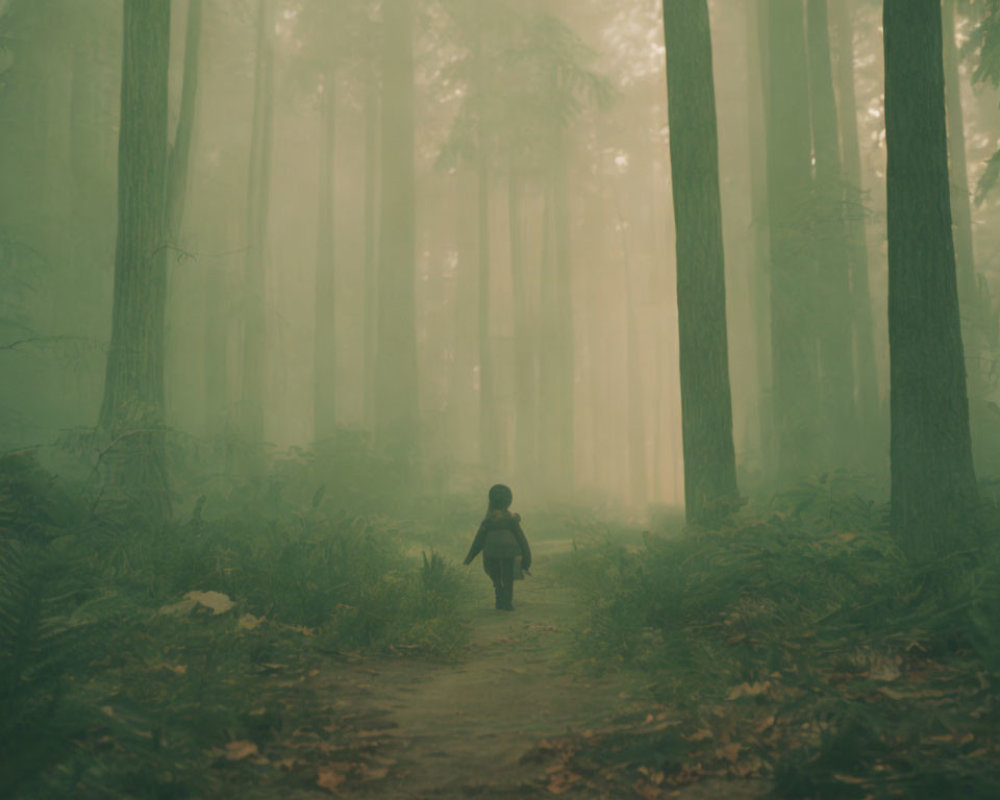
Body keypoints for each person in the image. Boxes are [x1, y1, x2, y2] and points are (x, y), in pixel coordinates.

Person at [463, 484, 532, 611]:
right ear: (508, 501)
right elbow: (522, 539)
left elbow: (479, 540)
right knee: (508, 577)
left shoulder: (489, 520)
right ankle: (507, 603)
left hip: (492, 552)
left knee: (496, 576)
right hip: (509, 552)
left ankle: (499, 600)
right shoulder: (511, 520)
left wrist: (469, 557)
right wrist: (527, 559)